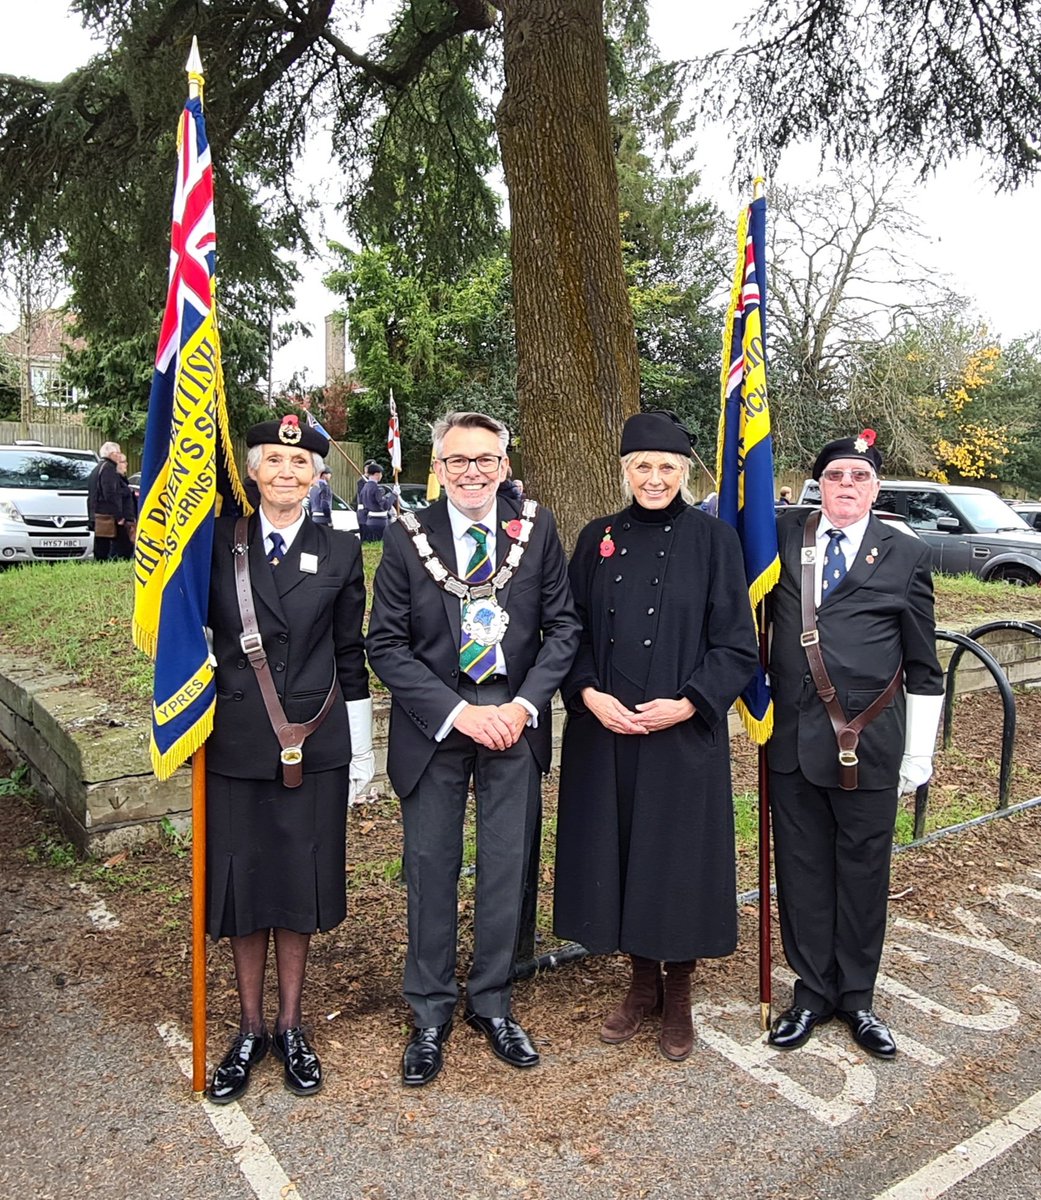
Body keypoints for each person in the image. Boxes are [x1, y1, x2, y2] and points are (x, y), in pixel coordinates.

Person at [366, 410, 580, 1087]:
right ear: (438, 468)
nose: (472, 472)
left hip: (513, 722)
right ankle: (428, 1011)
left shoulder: (534, 527)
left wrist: (521, 706)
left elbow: (563, 628)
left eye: (485, 459)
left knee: (505, 867)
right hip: (438, 726)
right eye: (457, 460)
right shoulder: (406, 535)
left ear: (504, 466)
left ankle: (492, 1000)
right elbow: (386, 645)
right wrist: (458, 713)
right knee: (431, 868)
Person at [553, 411, 759, 1062]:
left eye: (666, 466)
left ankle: (679, 996)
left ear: (685, 472)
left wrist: (691, 702)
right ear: (623, 471)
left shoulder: (714, 541)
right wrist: (587, 693)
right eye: (641, 465)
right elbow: (571, 633)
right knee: (619, 860)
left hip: (679, 733)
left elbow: (736, 646)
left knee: (675, 868)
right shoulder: (595, 537)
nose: (654, 477)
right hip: (607, 730)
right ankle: (639, 988)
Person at [204, 413, 374, 1104]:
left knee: (298, 889)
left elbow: (349, 648)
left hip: (313, 737)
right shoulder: (215, 541)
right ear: (250, 468)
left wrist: (361, 748)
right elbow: (187, 626)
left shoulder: (339, 544)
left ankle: (292, 1025)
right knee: (245, 889)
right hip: (237, 741)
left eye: (298, 463)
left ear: (316, 476)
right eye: (272, 459)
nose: (284, 471)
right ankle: (248, 1031)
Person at [766, 430, 944, 1059]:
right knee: (803, 869)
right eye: (836, 476)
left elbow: (924, 663)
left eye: (859, 477)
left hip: (869, 742)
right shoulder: (786, 538)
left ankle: (859, 999)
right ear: (820, 484)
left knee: (865, 871)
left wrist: (918, 752)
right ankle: (811, 992)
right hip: (791, 740)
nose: (847, 486)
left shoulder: (905, 552)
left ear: (874, 487)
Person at [86, 441, 124, 561]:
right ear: (112, 454)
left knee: (101, 546)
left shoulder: (97, 468)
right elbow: (110, 494)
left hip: (97, 514)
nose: (120, 456)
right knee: (107, 549)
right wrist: (119, 515)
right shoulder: (109, 469)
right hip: (106, 517)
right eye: (118, 453)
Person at [357, 461, 395, 541]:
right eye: (380, 474)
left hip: (369, 520)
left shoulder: (365, 487)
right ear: (377, 474)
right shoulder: (376, 489)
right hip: (380, 521)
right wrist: (394, 495)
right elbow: (385, 506)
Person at [111, 452, 137, 560]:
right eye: (123, 462)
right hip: (123, 522)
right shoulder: (116, 480)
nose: (126, 464)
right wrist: (120, 517)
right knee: (121, 550)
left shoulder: (123, 480)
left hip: (129, 520)